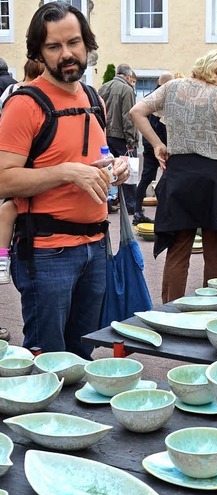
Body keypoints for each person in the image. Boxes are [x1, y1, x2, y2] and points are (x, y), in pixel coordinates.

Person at [0, 1, 129, 357]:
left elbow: (94, 161)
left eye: (73, 42)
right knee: (48, 360)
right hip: (47, 253)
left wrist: (115, 168)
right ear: (39, 53)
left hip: (96, 246)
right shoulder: (24, 105)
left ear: (87, 43)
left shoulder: (92, 99)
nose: (67, 54)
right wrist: (64, 172)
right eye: (54, 46)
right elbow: (3, 180)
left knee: (83, 355)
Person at [130, 50, 217, 304]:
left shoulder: (171, 87)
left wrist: (157, 144)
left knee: (178, 250)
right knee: (215, 251)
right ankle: (211, 310)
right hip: (214, 178)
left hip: (180, 174)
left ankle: (170, 313)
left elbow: (136, 112)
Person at [0, 60, 45, 285]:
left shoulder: (11, 90)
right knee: (10, 208)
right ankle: (1, 260)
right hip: (21, 158)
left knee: (9, 210)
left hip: (14, 153)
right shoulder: (25, 96)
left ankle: (2, 259)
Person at [98, 63, 140, 219]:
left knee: (108, 171)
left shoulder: (103, 87)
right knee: (128, 172)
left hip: (105, 135)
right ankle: (130, 205)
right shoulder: (127, 89)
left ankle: (107, 203)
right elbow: (128, 116)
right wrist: (131, 140)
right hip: (121, 137)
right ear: (128, 76)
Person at [133, 71, 174, 223]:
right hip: (163, 146)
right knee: (166, 178)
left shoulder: (148, 97)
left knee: (146, 178)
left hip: (149, 146)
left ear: (158, 81)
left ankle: (137, 211)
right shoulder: (165, 99)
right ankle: (164, 212)